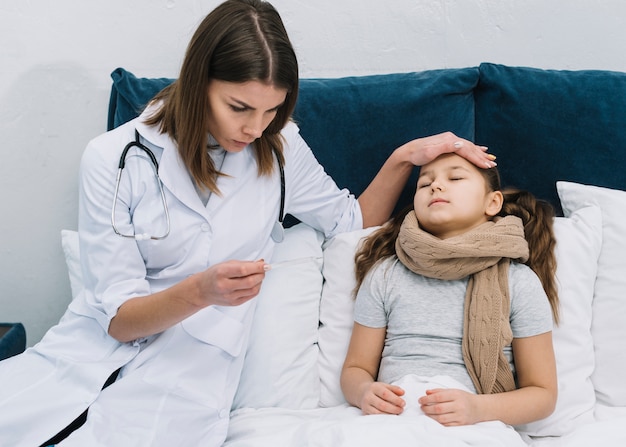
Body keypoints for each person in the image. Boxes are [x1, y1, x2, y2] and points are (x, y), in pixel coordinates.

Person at [0, 1, 495, 446]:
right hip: (83, 353)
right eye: (238, 108)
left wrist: (405, 157)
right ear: (199, 83)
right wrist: (200, 290)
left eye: (272, 110)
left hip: (187, 376)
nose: (255, 128)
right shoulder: (113, 157)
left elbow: (350, 221)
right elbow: (119, 320)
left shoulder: (278, 148)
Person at [340, 152, 559, 429]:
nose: (436, 186)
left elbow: (543, 395)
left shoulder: (519, 282)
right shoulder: (386, 274)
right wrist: (363, 393)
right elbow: (355, 369)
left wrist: (477, 409)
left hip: (474, 424)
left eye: (455, 177)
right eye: (424, 183)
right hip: (393, 422)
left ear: (492, 203)